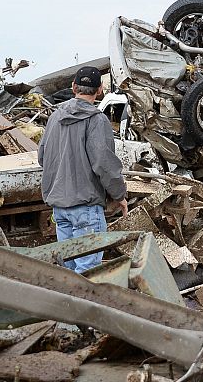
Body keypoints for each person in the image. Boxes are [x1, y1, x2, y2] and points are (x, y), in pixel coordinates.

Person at [38, 66, 128, 273]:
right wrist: (119, 194)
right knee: (87, 274)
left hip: (59, 208)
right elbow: (103, 163)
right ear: (100, 90)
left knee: (68, 273)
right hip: (86, 208)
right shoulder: (96, 120)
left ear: (73, 87)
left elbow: (43, 158)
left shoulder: (54, 118)